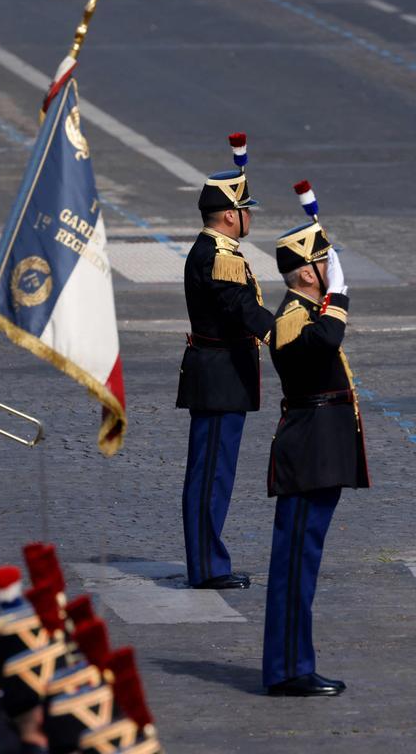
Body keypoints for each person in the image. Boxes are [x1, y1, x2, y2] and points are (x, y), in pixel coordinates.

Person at [262, 185, 369, 697]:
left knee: (303, 562)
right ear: (307, 272)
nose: (330, 268)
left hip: (318, 453)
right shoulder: (291, 318)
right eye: (324, 262)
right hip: (307, 454)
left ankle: (293, 663)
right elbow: (324, 345)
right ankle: (287, 670)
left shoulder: (306, 312)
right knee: (293, 566)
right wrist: (340, 296)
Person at [176, 134, 274, 590]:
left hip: (221, 377)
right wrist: (286, 334)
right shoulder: (217, 257)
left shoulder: (220, 253)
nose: (250, 217)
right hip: (219, 379)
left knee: (216, 474)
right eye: (247, 210)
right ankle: (206, 566)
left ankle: (209, 562)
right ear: (232, 215)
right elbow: (243, 310)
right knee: (210, 475)